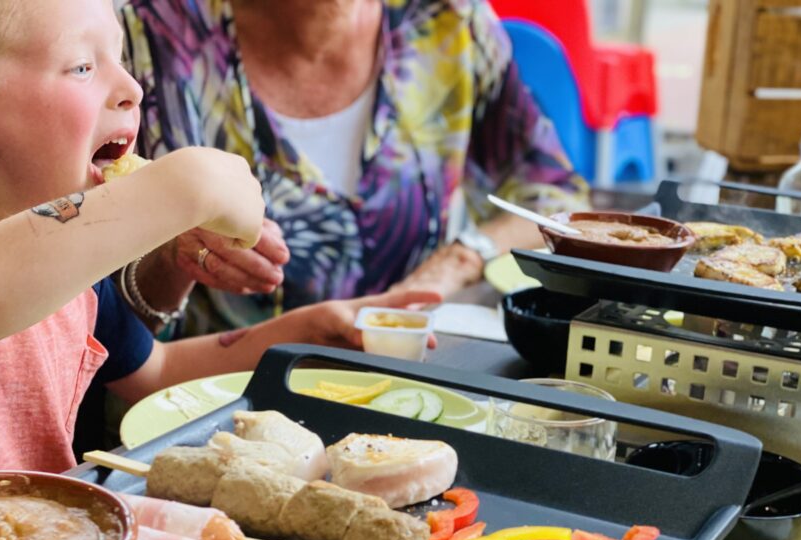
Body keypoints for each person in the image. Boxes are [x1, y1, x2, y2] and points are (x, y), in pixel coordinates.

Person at [0, 0, 438, 483]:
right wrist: (185, 186)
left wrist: (302, 336)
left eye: (122, 60)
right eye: (83, 66)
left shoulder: (77, 273)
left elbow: (158, 372)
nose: (132, 89)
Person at [117, 0, 588, 332]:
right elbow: (89, 290)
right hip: (199, 401)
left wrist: (461, 257)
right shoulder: (151, 36)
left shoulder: (446, 22)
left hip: (397, 379)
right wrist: (174, 251)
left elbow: (551, 200)